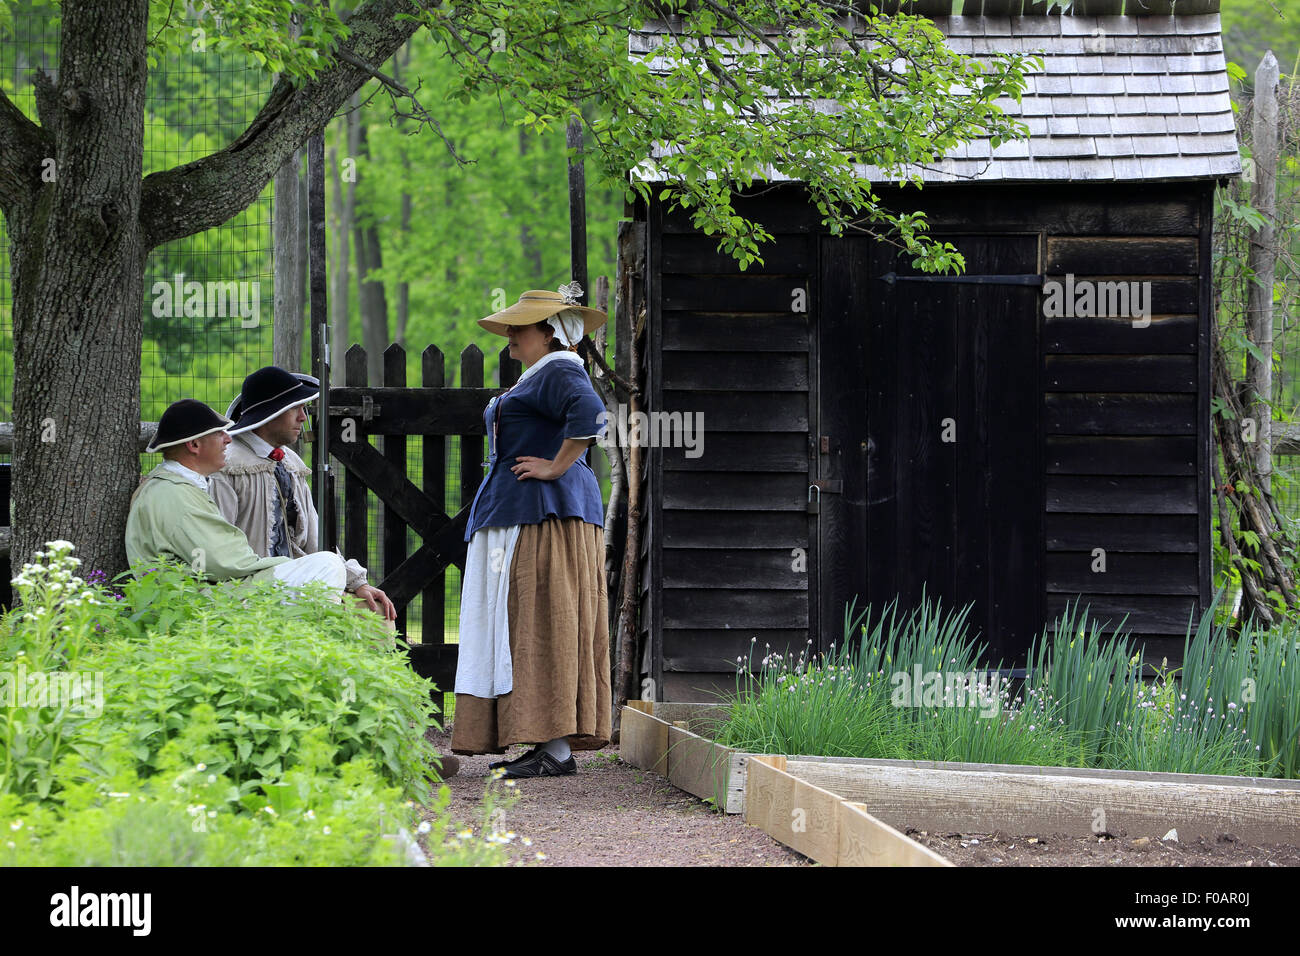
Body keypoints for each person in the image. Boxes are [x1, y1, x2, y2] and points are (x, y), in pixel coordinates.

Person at [450, 284, 611, 778]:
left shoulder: (560, 369)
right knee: (527, 620)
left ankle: (555, 748)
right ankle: (548, 742)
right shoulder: (542, 373)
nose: (510, 339)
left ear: (549, 333)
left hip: (541, 518)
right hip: (523, 514)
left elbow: (591, 415)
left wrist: (556, 467)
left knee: (539, 618)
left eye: (518, 330)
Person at [210, 366, 396, 621]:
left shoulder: (290, 462)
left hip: (295, 581)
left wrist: (356, 582)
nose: (302, 417)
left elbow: (314, 539)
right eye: (294, 408)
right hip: (247, 590)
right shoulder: (228, 466)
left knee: (375, 617)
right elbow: (219, 545)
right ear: (270, 413)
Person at [126, 399, 348, 595]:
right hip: (204, 601)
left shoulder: (175, 486)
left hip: (210, 591)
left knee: (324, 567)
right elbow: (221, 561)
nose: (228, 440)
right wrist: (286, 564)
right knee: (327, 565)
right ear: (194, 445)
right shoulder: (174, 494)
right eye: (218, 433)